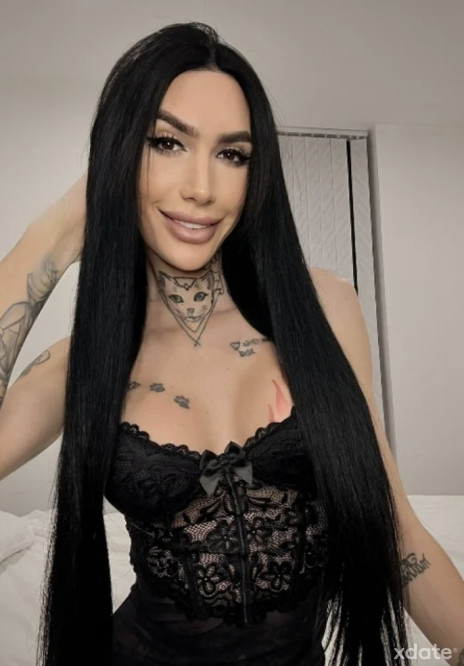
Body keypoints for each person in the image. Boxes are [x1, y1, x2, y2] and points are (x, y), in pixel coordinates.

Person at [0, 20, 463, 666]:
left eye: (232, 154)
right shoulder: (85, 363)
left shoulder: (323, 307)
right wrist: (48, 239)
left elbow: (393, 530)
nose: (202, 187)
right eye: (166, 142)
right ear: (120, 154)